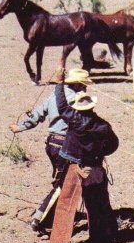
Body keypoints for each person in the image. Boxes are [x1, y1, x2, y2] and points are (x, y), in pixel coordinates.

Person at [8, 68, 90, 232]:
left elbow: (37, 115)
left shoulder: (54, 96)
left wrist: (20, 127)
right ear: (78, 84)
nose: (86, 88)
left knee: (59, 179)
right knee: (62, 185)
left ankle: (53, 214)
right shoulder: (77, 100)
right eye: (84, 85)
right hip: (66, 147)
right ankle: (39, 217)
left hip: (51, 145)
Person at [53, 81, 119, 243]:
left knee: (66, 203)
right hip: (95, 168)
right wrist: (99, 153)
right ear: (91, 107)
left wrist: (58, 83)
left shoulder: (73, 119)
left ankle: (59, 241)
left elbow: (61, 105)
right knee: (99, 202)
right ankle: (103, 236)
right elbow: (113, 145)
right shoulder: (103, 126)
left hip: (74, 168)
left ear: (77, 108)